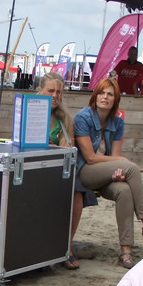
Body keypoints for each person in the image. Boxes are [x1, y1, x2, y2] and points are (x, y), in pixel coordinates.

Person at [74, 78, 143, 269]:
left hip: (103, 174)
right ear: (95, 95)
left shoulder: (117, 122)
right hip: (84, 173)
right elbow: (90, 157)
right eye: (101, 93)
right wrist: (121, 163)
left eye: (110, 94)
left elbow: (115, 157)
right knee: (131, 167)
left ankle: (126, 251)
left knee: (124, 190)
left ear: (115, 99)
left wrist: (117, 173)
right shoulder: (83, 118)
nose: (105, 97)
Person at [40, 70, 94, 270]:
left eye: (59, 92)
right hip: (34, 166)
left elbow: (68, 149)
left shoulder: (65, 119)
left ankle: (66, 246)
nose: (55, 95)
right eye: (51, 91)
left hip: (56, 166)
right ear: (41, 91)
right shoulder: (30, 112)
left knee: (78, 191)